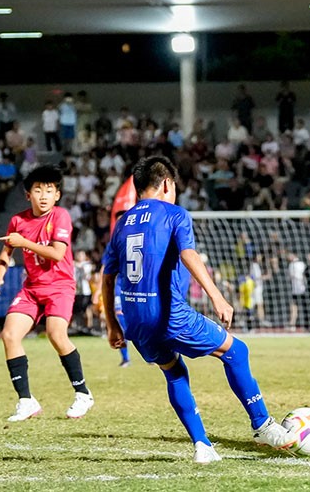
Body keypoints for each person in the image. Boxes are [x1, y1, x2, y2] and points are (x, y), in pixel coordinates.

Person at [100, 156, 294, 463]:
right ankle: (262, 425)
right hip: (169, 314)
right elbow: (188, 254)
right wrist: (217, 296)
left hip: (135, 322)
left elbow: (107, 277)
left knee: (174, 372)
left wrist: (112, 324)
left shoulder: (122, 223)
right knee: (237, 351)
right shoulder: (175, 214)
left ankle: (203, 445)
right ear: (167, 184)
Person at [0, 164, 94, 422]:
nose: (43, 196)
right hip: (32, 288)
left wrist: (24, 242)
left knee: (56, 334)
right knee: (9, 335)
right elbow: (6, 252)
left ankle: (83, 394)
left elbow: (57, 253)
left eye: (49, 190)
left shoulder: (61, 216)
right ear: (28, 195)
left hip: (60, 286)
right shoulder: (18, 221)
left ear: (57, 195)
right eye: (38, 190)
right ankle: (26, 401)